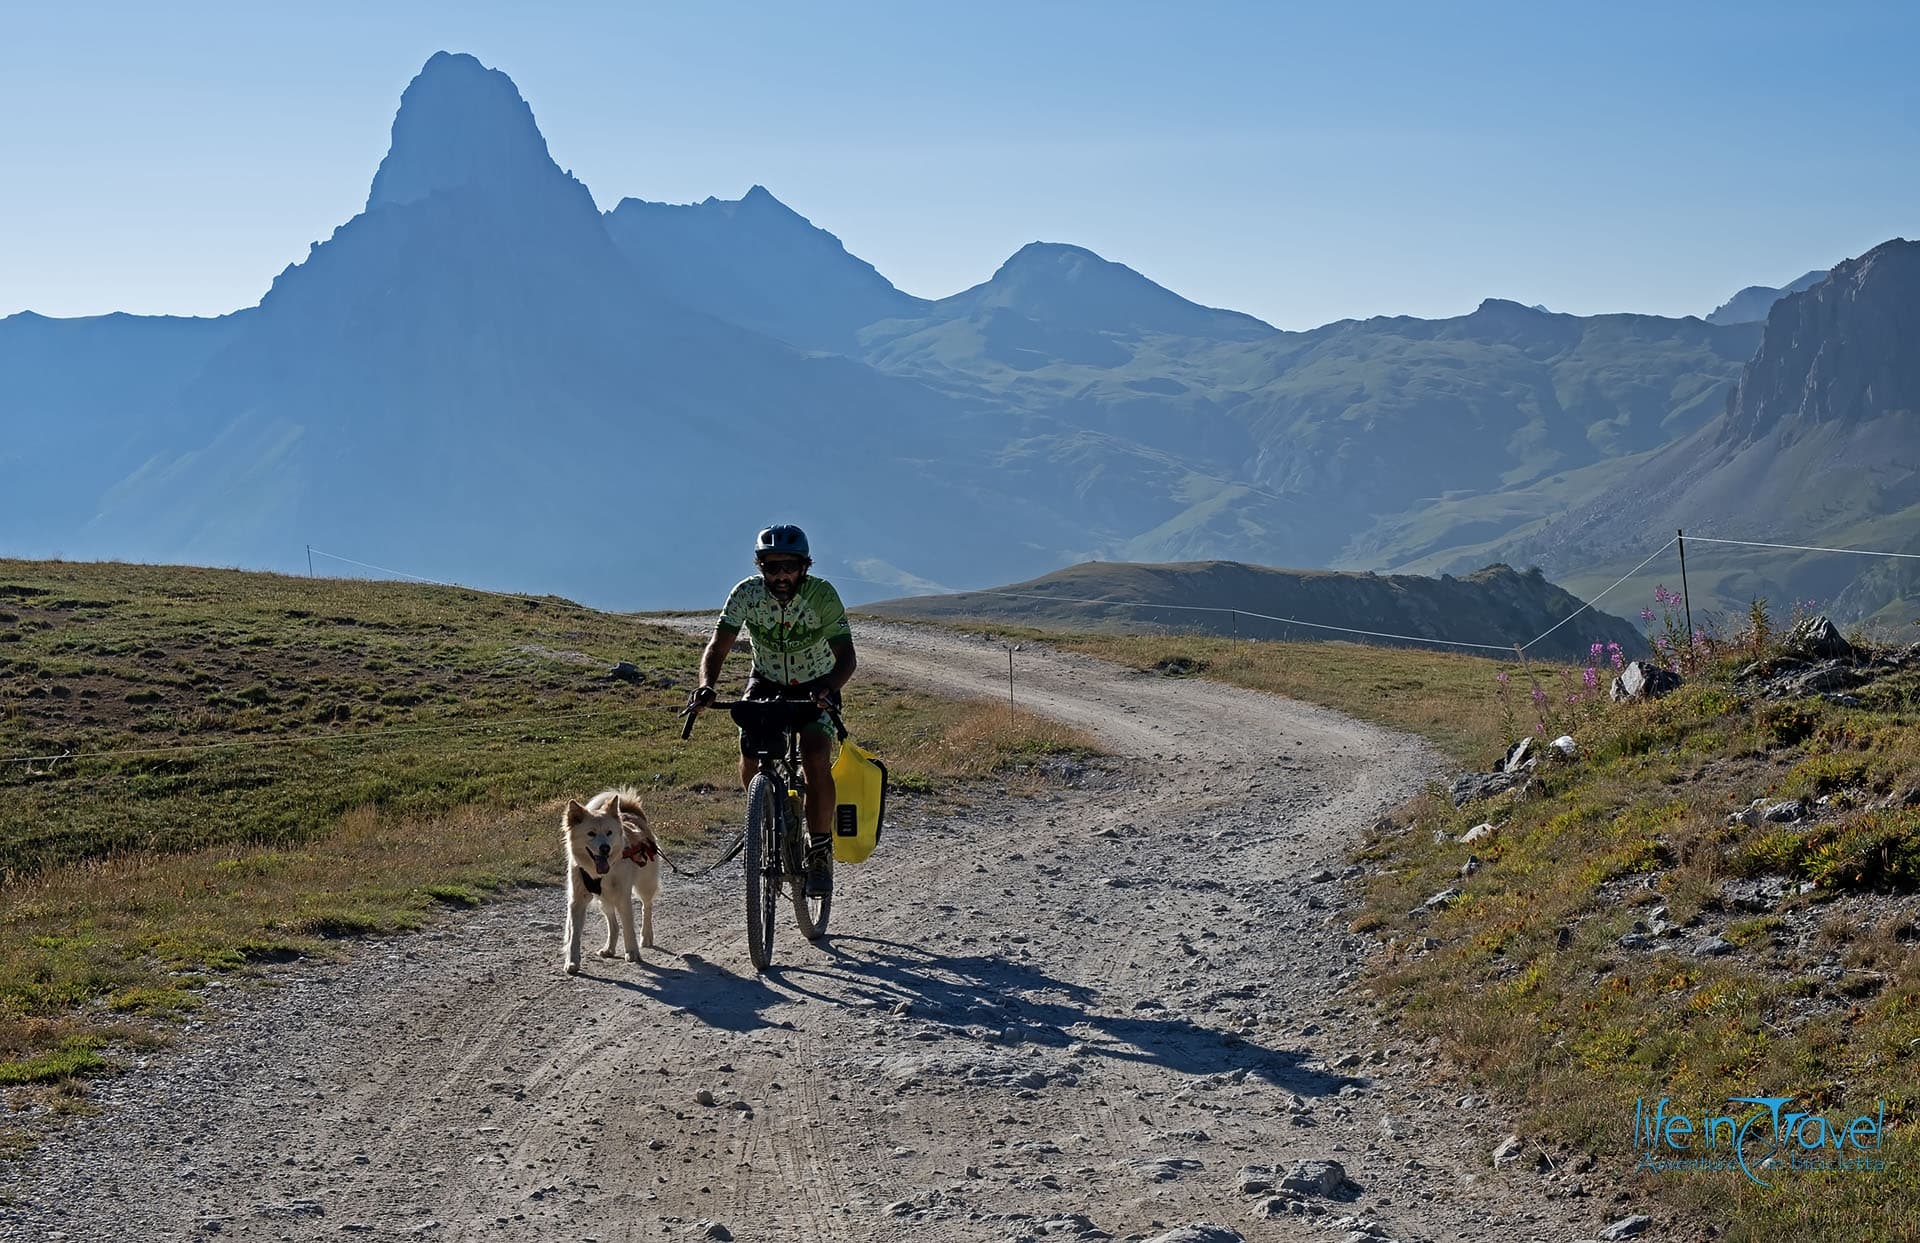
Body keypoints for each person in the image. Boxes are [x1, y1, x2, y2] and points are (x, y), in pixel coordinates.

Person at [689, 524, 856, 895]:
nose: (781, 575)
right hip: (765, 681)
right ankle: (763, 814)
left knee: (814, 755)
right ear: (760, 567)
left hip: (816, 684)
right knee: (750, 751)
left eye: (789, 566)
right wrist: (706, 686)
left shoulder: (822, 595)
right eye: (771, 566)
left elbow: (846, 656)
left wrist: (829, 688)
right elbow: (718, 645)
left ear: (804, 567)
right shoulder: (746, 594)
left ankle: (820, 851)